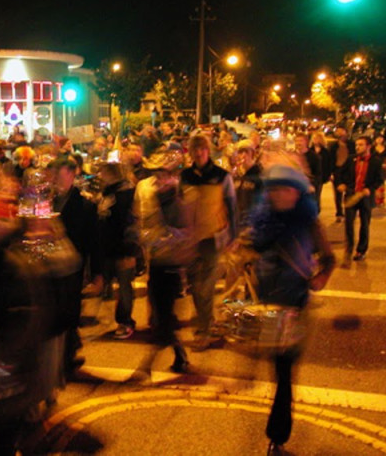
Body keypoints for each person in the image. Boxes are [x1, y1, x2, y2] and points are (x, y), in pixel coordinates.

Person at [242, 164, 335, 454]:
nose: (280, 195)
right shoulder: (262, 222)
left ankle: (277, 437)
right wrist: (241, 254)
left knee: (283, 374)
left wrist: (320, 278)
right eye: (275, 190)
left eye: (286, 189)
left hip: (294, 306)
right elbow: (249, 252)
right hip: (268, 306)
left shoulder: (308, 222)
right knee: (273, 367)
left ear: (297, 193)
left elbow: (329, 258)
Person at [135, 148, 192, 373]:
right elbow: (146, 224)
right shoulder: (157, 197)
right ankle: (177, 354)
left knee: (164, 315)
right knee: (160, 313)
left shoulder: (178, 200)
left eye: (162, 176)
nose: (158, 181)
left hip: (171, 266)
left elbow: (186, 232)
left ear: (172, 177)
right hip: (157, 263)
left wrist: (162, 238)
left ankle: (151, 363)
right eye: (156, 176)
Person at [180, 133, 236, 351]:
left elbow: (232, 206)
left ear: (208, 151)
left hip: (213, 238)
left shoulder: (222, 176)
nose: (199, 153)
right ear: (191, 153)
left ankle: (203, 330)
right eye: (195, 150)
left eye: (203, 149)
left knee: (206, 287)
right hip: (191, 239)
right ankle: (207, 321)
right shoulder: (185, 176)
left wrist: (233, 235)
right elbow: (179, 204)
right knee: (195, 287)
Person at [50, 157, 102, 375]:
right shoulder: (45, 202)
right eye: (53, 176)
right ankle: (63, 353)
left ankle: (67, 356)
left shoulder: (85, 205)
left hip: (72, 267)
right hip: (49, 265)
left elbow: (95, 243)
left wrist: (98, 274)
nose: (56, 181)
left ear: (72, 175)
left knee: (70, 311)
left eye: (60, 176)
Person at [96, 161, 140, 339]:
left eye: (103, 173)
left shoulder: (126, 194)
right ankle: (111, 318)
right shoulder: (107, 194)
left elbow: (129, 224)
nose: (100, 177)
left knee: (124, 287)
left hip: (122, 248)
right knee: (106, 284)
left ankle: (126, 321)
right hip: (108, 248)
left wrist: (129, 250)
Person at [340, 136, 383, 267]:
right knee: (348, 225)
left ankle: (361, 250)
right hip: (351, 196)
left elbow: (379, 179)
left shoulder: (375, 161)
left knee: (364, 224)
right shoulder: (350, 159)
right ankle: (348, 250)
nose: (357, 147)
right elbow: (341, 173)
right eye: (357, 145)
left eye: (361, 145)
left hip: (365, 198)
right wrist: (342, 184)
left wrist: (371, 189)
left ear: (368, 146)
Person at [329, 127, 354, 222]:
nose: (339, 133)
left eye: (341, 131)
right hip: (337, 171)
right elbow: (330, 160)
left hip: (349, 171)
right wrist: (330, 173)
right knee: (337, 194)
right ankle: (339, 213)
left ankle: (349, 211)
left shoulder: (352, 144)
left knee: (349, 192)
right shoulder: (334, 146)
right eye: (337, 131)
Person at [307, 131, 332, 212]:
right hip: (310, 176)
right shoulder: (310, 151)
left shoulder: (325, 151)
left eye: (317, 138)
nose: (315, 140)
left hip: (320, 177)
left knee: (317, 194)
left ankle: (316, 211)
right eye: (314, 138)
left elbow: (328, 164)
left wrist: (328, 175)